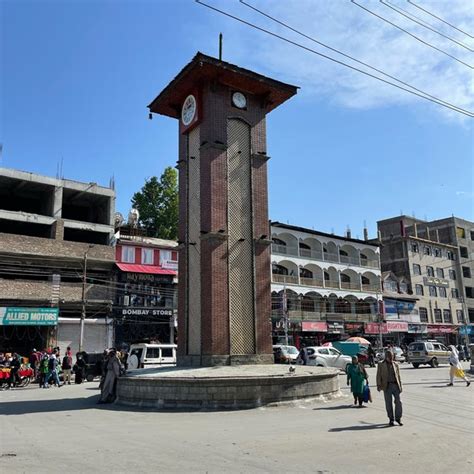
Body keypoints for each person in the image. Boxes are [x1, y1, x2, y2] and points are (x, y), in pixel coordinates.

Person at [376, 350, 403, 426]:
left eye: (392, 356)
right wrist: (378, 385)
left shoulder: (395, 364)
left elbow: (398, 376)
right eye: (389, 357)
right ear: (386, 357)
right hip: (387, 386)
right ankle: (391, 419)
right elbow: (378, 375)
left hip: (395, 385)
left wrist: (400, 386)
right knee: (388, 403)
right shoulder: (381, 364)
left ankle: (398, 418)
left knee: (398, 402)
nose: (391, 358)